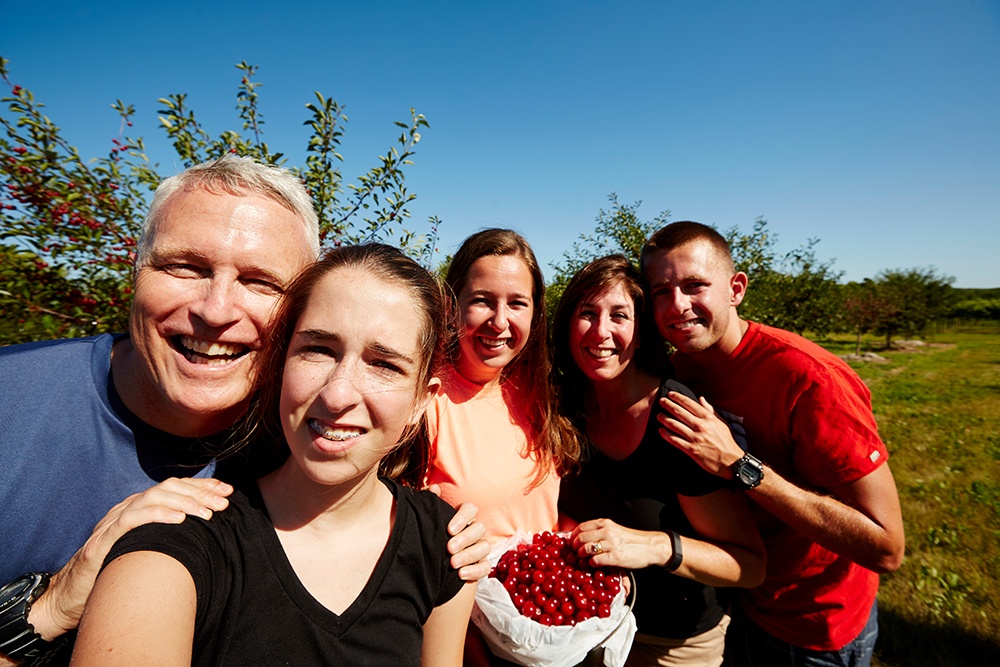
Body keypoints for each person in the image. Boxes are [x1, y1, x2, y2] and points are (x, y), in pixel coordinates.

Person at [0, 157, 488, 666]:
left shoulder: (300, 440)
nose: (215, 310)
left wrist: (442, 530)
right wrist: (47, 611)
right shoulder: (11, 401)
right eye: (185, 267)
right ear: (136, 269)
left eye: (259, 282)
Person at [70, 244, 478, 666]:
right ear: (281, 362)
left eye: (384, 365)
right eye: (318, 349)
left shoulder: (447, 546)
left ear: (420, 402)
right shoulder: (183, 542)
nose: (338, 394)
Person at [641, 221, 905, 667]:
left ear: (736, 289)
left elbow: (886, 547)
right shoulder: (676, 372)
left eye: (694, 286)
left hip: (808, 625)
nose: (678, 305)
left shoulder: (808, 379)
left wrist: (738, 465)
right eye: (661, 292)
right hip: (731, 600)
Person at [552, 255, 766, 667]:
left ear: (641, 330)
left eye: (619, 315)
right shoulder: (563, 405)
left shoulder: (676, 418)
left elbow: (749, 564)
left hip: (669, 642)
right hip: (581, 627)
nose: (601, 331)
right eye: (587, 313)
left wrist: (651, 545)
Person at [422, 229, 579, 665]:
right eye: (482, 300)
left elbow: (539, 509)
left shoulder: (538, 392)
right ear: (452, 307)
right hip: (470, 640)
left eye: (516, 303)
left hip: (543, 622)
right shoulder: (426, 401)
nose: (499, 321)